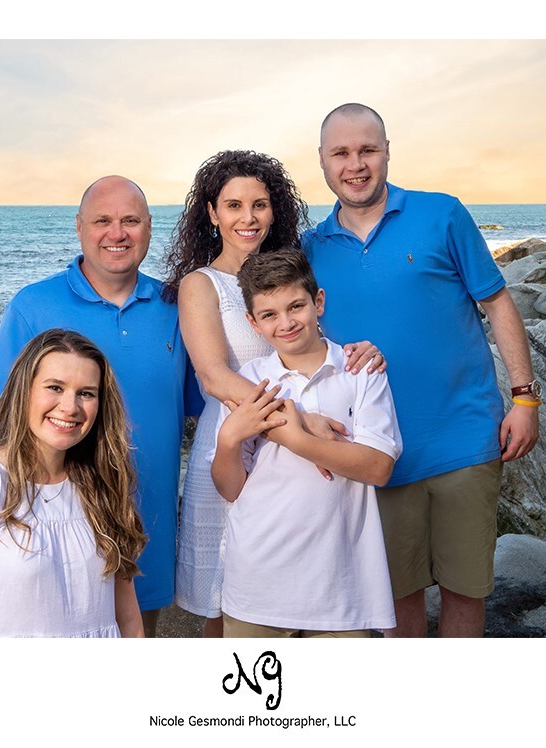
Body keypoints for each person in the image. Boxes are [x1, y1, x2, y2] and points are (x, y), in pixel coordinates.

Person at [304, 103, 540, 638]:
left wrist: (525, 398)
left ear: (387, 151)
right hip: (376, 451)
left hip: (463, 438)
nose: (355, 164)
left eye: (367, 149)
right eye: (341, 153)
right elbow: (296, 341)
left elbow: (498, 304)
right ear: (322, 161)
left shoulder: (442, 214)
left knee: (465, 591)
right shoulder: (309, 248)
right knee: (395, 602)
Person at [164, 151, 385, 637]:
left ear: (275, 209)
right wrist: (299, 420)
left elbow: (314, 343)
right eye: (234, 205)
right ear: (212, 213)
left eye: (260, 205)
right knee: (223, 604)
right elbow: (215, 378)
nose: (248, 218)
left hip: (302, 456)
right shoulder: (201, 285)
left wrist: (363, 349)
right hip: (234, 443)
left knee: (306, 586)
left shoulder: (288, 274)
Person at [0, 176, 195, 637]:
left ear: (149, 228)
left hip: (143, 527)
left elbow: (208, 403)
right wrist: (2, 520)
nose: (117, 233)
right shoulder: (33, 306)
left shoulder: (177, 307)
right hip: (49, 530)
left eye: (131, 221)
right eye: (102, 221)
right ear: (79, 227)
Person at [211, 248, 400, 637]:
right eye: (269, 315)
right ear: (253, 322)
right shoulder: (251, 379)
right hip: (257, 580)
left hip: (340, 585)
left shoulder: (360, 370)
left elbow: (378, 467)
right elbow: (231, 488)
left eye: (296, 306)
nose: (286, 322)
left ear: (318, 302)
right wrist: (230, 439)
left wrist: (296, 439)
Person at [0, 329, 146, 637]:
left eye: (86, 393)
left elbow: (128, 618)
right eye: (55, 387)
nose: (70, 407)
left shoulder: (101, 484)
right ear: (23, 390)